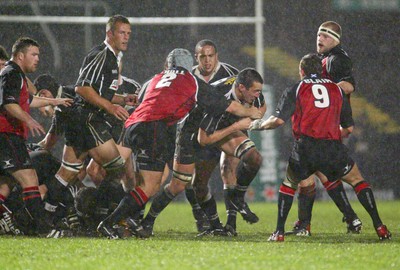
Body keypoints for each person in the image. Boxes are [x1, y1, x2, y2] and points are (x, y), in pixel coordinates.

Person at [97, 48, 262, 239]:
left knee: (115, 171)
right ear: (189, 66)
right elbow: (229, 106)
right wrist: (250, 114)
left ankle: (107, 214)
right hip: (155, 127)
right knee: (150, 185)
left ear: (168, 65)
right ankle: (108, 222)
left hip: (131, 125)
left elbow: (141, 101)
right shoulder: (192, 81)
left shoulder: (155, 78)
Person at [250, 53, 391, 241]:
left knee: (289, 184)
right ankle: (380, 227)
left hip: (306, 147)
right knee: (358, 180)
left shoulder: (296, 88)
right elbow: (348, 128)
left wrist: (259, 125)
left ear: (301, 71)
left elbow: (277, 121)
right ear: (321, 70)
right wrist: (329, 135)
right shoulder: (338, 90)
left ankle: (279, 232)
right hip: (332, 147)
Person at [45, 15, 134, 232]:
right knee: (117, 167)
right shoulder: (102, 55)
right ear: (109, 33)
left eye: (128, 33)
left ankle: (44, 216)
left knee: (66, 173)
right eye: (121, 32)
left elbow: (99, 92)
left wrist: (122, 99)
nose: (126, 37)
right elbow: (82, 88)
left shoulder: (113, 58)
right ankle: (98, 209)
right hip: (88, 119)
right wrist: (109, 107)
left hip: (81, 119)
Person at [290, 21, 361, 236]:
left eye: (325, 36)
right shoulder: (322, 59)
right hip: (326, 121)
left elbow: (349, 85)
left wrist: (325, 91)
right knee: (323, 173)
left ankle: (305, 224)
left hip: (330, 121)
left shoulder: (339, 59)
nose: (320, 39)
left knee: (313, 171)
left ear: (335, 40)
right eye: (318, 34)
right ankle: (350, 217)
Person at [0, 37, 72, 235]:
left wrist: (56, 101)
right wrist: (29, 120)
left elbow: (29, 100)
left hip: (9, 137)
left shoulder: (16, 75)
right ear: (20, 56)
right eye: (34, 54)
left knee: (5, 186)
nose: (37, 59)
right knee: (30, 179)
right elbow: (8, 103)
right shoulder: (12, 73)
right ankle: (44, 230)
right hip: (7, 136)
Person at [196, 68, 265, 236]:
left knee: (251, 159)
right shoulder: (217, 99)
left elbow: (262, 106)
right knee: (198, 185)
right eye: (255, 91)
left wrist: (255, 116)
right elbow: (204, 139)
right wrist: (236, 126)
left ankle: (233, 219)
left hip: (229, 127)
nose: (258, 94)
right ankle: (214, 224)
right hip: (203, 132)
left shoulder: (252, 92)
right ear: (241, 88)